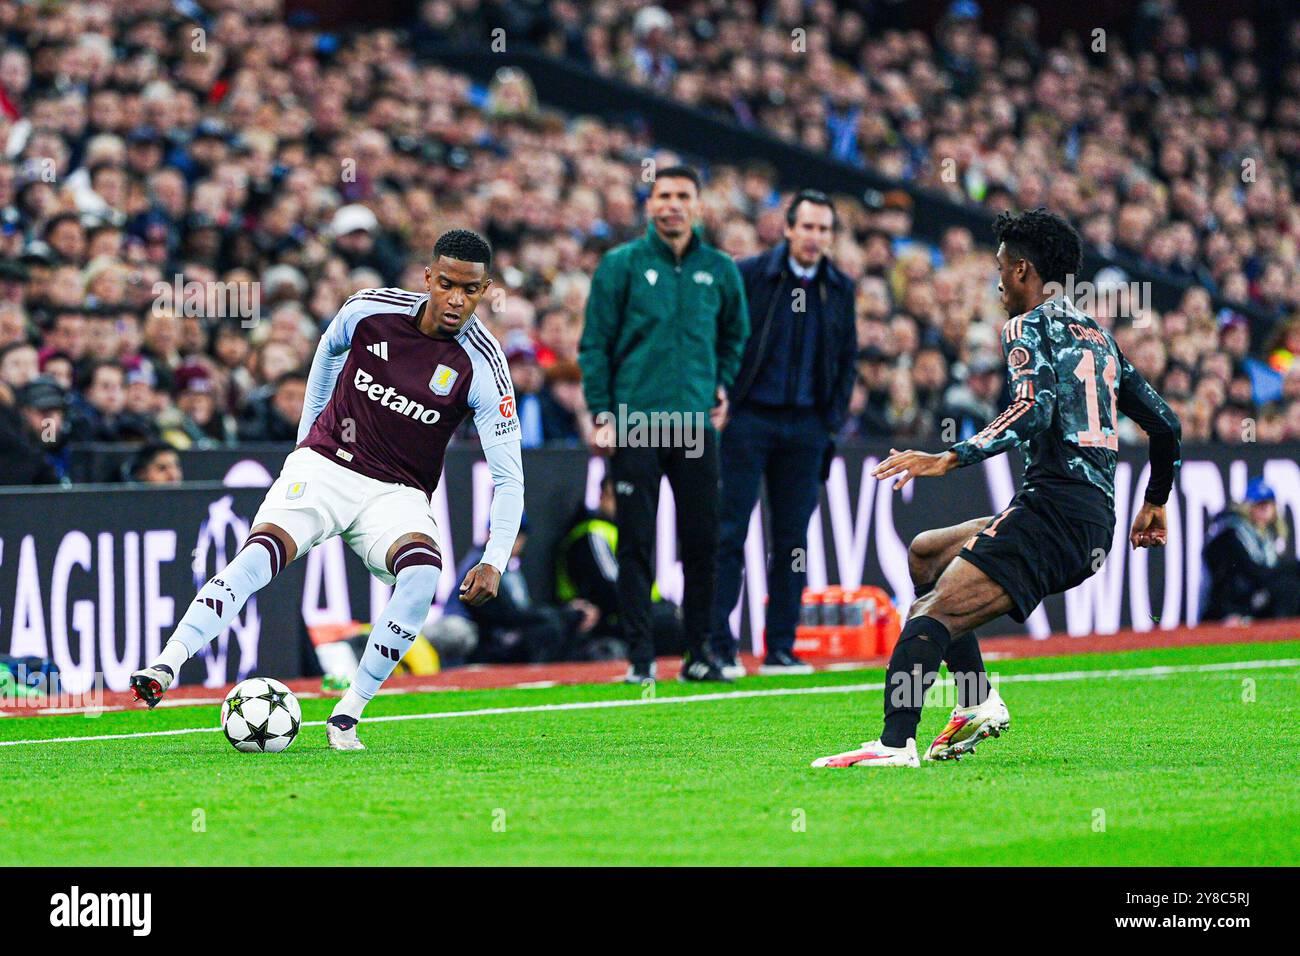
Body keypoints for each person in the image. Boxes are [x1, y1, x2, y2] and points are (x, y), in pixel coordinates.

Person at [813, 208, 1182, 768]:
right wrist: (1154, 500)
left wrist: (952, 457)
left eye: (1002, 268)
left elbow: (1033, 409)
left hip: (1054, 512)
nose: (998, 282)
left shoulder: (1026, 326)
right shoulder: (1099, 339)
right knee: (928, 557)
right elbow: (1166, 425)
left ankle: (895, 745)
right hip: (1085, 516)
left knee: (930, 614)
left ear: (1023, 271)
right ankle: (977, 700)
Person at [129, 229, 524, 751]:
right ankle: (167, 664)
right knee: (258, 556)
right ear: (427, 277)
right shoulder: (369, 310)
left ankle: (348, 714)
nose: (456, 300)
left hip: (397, 493)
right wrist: (307, 439)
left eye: (470, 290)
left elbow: (508, 474)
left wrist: (495, 556)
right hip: (326, 466)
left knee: (423, 574)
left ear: (485, 289)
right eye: (446, 284)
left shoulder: (484, 364)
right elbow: (326, 352)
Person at [579, 165, 749, 683]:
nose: (672, 204)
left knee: (702, 541)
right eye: (663, 196)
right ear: (649, 205)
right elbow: (595, 345)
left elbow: (734, 337)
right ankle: (640, 658)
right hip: (635, 423)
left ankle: (699, 653)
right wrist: (603, 413)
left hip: (696, 425)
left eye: (682, 196)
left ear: (698, 206)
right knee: (636, 541)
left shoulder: (720, 269)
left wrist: (722, 387)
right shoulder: (620, 265)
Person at [711, 189, 857, 677]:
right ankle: (717, 644)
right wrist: (722, 393)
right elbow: (722, 337)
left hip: (807, 426)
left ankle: (780, 648)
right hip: (749, 419)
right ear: (788, 228)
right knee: (730, 532)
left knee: (792, 542)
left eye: (824, 229)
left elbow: (847, 358)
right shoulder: (751, 274)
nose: (815, 237)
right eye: (808, 227)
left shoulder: (840, 287)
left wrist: (830, 419)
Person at [554, 474, 687, 658]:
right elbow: (611, 588)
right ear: (602, 497)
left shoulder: (623, 534)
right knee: (669, 623)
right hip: (604, 622)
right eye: (616, 496)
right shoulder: (592, 532)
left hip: (636, 613)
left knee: (680, 619)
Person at [446, 516, 605, 663]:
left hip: (496, 629)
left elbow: (519, 612)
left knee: (552, 625)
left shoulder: (510, 569)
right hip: (472, 629)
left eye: (517, 537)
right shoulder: (483, 564)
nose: (514, 542)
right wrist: (564, 614)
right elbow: (506, 614)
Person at [1201, 479, 1300, 621]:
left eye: (1268, 504)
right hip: (1229, 607)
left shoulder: (1266, 537)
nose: (1265, 509)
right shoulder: (1232, 534)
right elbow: (1254, 572)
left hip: (1253, 597)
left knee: (1291, 586)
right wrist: (1295, 568)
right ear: (1248, 507)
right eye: (1260, 504)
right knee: (1287, 586)